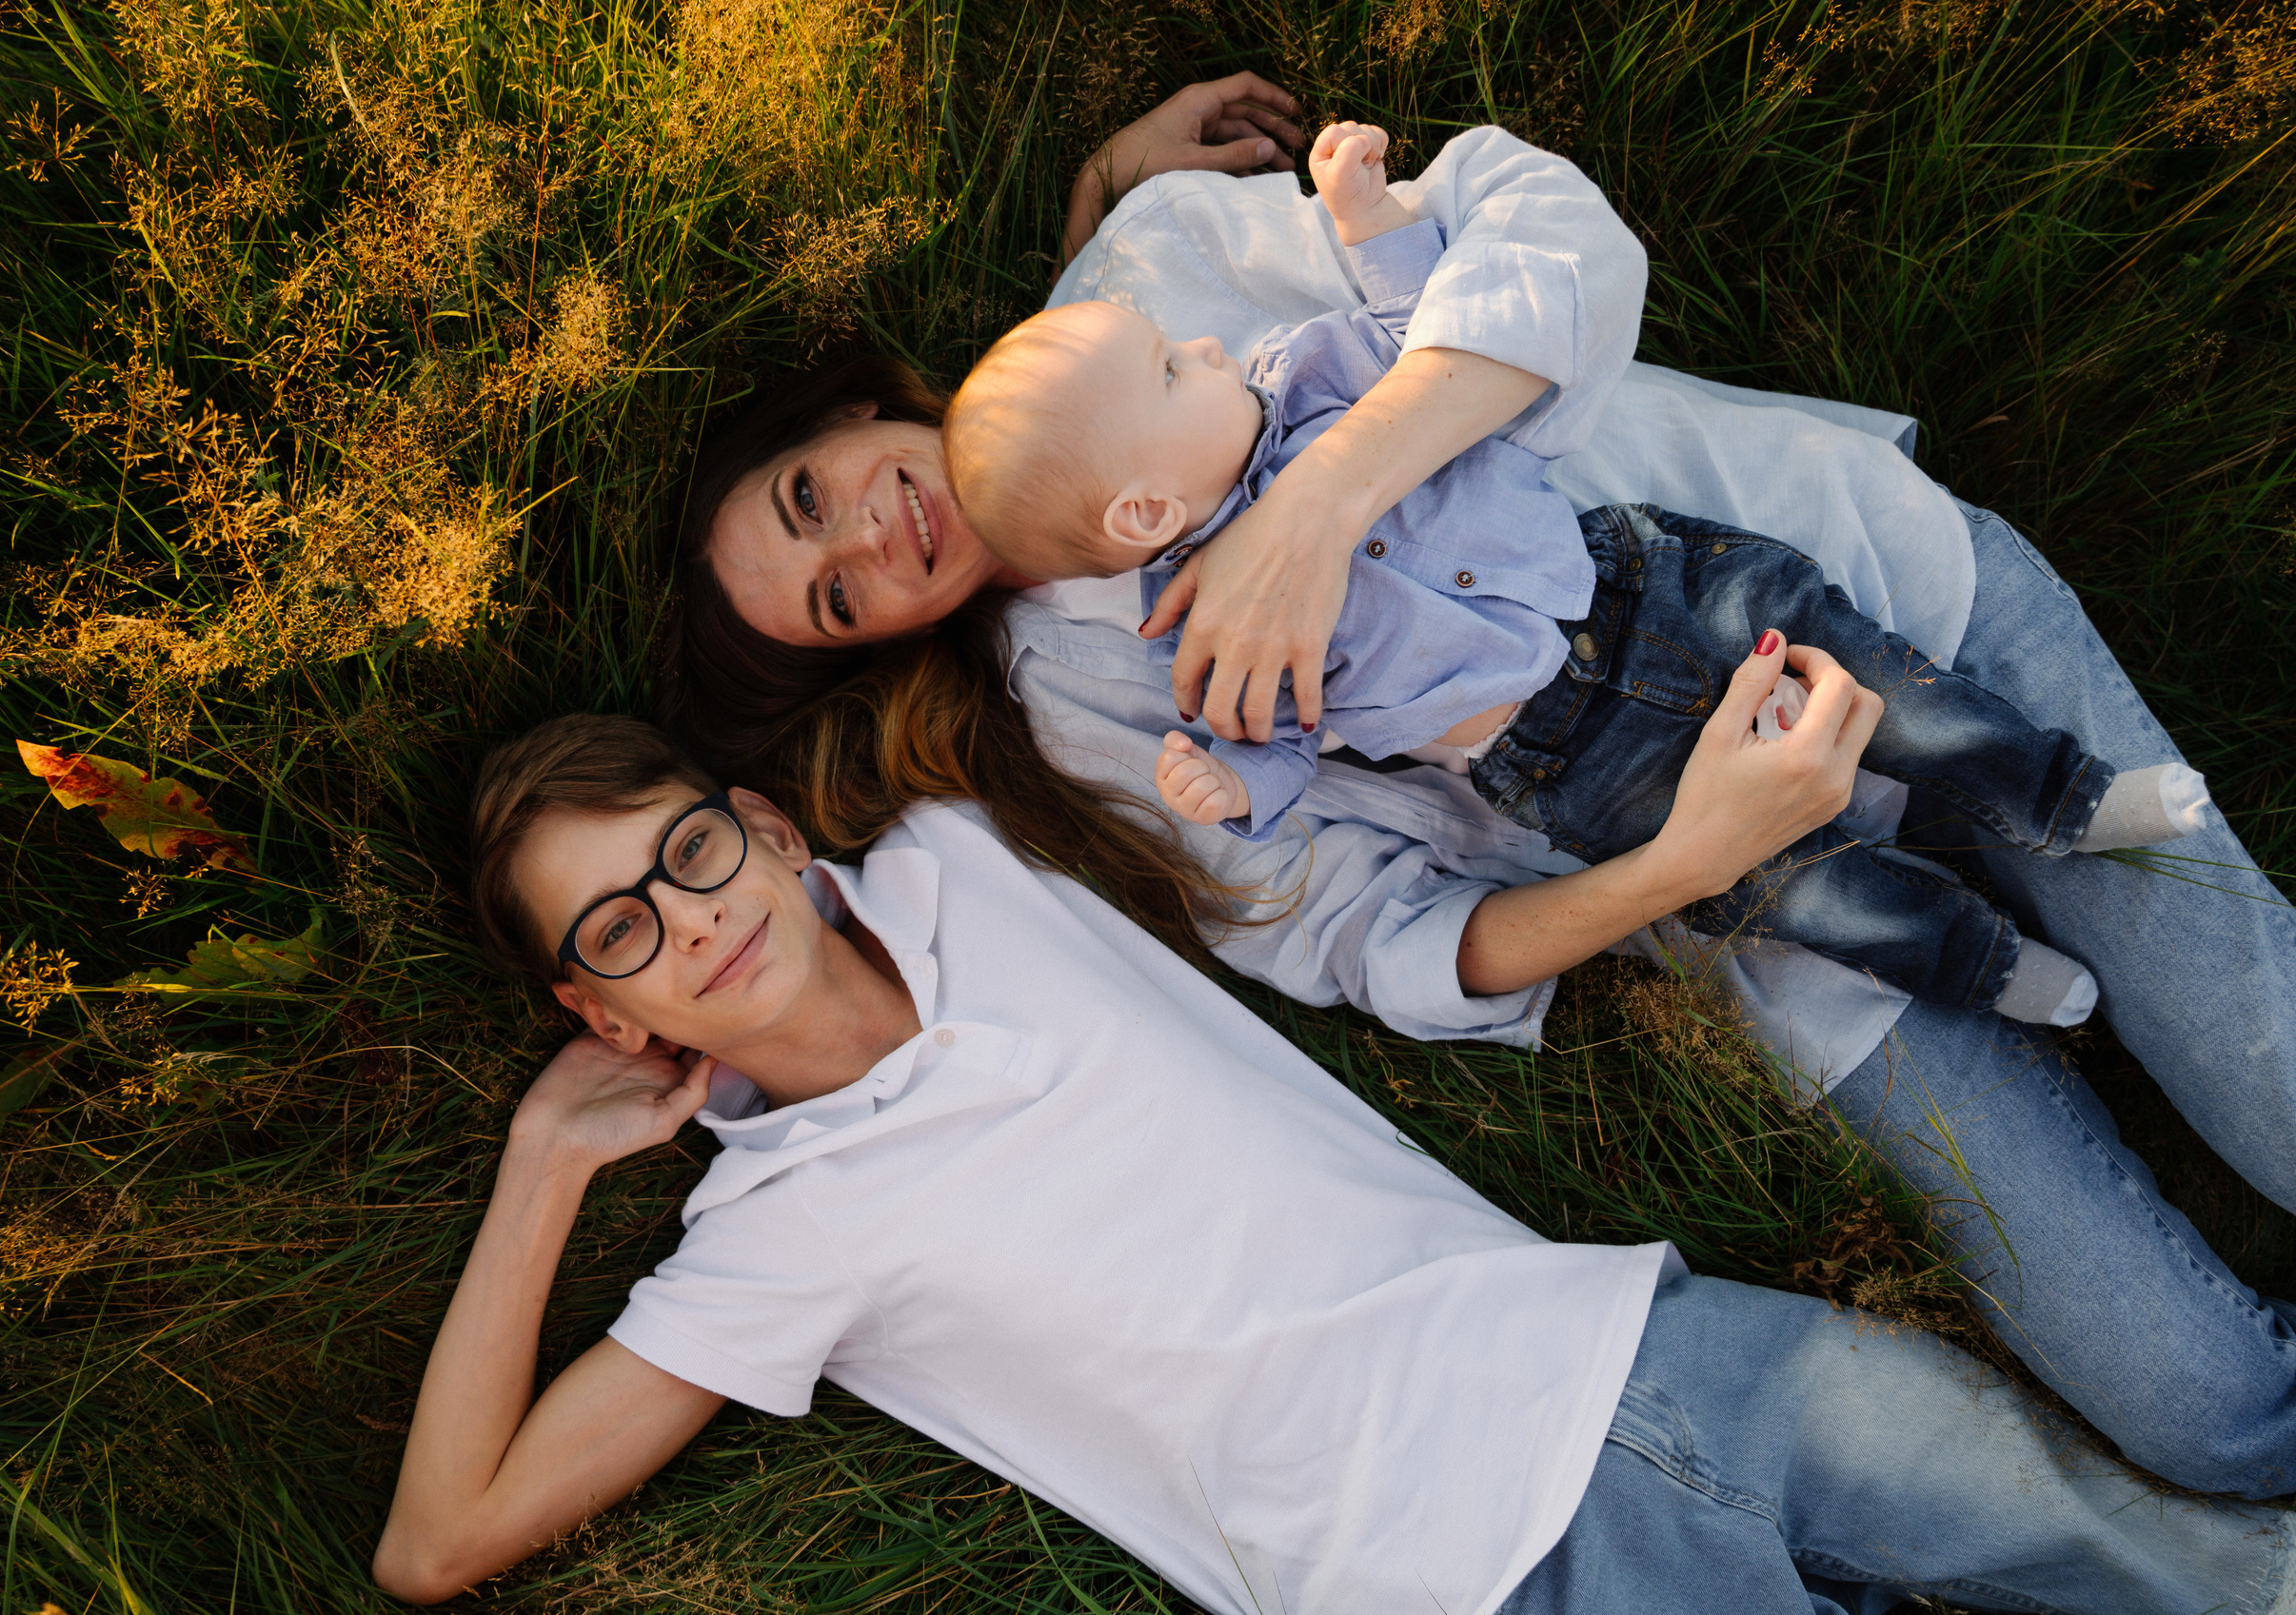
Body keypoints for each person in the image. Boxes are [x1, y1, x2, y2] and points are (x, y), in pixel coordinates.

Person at [662, 77, 2296, 1499]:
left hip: (1868, 599)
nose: (868, 540)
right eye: (833, 594)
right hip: (1744, 891)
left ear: (854, 412)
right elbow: (1366, 941)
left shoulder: (1148, 270)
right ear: (869, 647)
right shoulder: (1081, 721)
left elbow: (1550, 237)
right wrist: (1681, 868)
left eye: (813, 495)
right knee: (2208, 1413)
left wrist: (1320, 509)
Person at [371, 711, 2296, 1612]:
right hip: (1463, 1582)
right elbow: (438, 1540)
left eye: (681, 853)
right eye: (612, 932)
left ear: (771, 833)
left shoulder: (965, 853)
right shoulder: (767, 1239)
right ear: (607, 1017)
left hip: (1638, 1352)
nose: (680, 920)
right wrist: (541, 1175)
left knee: (2209, 1578)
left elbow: (1004, 523)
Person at [941, 119, 2207, 1028]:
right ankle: (1982, 966)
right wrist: (1231, 781)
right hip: (1564, 761)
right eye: (1171, 370)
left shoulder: (1312, 378)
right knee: (1788, 892)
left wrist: (1368, 222)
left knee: (1875, 675)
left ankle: (2064, 795)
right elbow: (1287, 741)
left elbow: (1418, 321)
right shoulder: (1198, 638)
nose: (1206, 346)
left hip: (1640, 587)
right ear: (1146, 507)